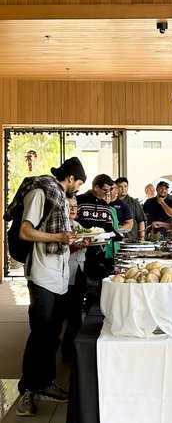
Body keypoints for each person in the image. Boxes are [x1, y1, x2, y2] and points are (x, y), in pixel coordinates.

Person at [11, 157, 86, 417]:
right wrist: (59, 237)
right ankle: (27, 391)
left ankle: (45, 384)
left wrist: (76, 241)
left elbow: (61, 236)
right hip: (42, 275)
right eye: (78, 183)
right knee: (40, 333)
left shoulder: (57, 196)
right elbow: (25, 231)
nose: (77, 188)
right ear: (70, 179)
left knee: (52, 334)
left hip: (59, 276)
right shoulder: (40, 193)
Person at [77, 174, 119, 309]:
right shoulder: (79, 201)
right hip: (79, 249)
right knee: (80, 283)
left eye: (109, 191)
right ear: (96, 187)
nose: (108, 194)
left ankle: (94, 311)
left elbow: (108, 227)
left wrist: (118, 236)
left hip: (99, 251)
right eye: (105, 190)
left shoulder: (104, 206)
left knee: (98, 282)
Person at [60, 195, 90, 364]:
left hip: (79, 271)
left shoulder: (78, 226)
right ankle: (67, 353)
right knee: (68, 316)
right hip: (64, 275)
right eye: (69, 206)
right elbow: (58, 253)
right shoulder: (60, 227)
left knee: (76, 315)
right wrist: (75, 247)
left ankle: (71, 352)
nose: (73, 209)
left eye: (75, 206)